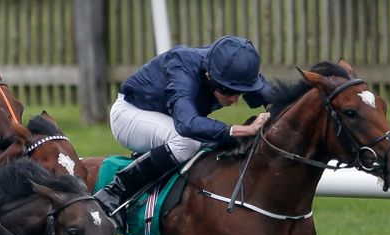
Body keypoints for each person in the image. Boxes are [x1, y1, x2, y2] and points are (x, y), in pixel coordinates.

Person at [95, 35, 273, 223]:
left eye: (241, 92)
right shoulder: (181, 65)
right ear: (209, 76)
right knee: (187, 142)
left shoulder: (230, 70)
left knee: (205, 143)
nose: (234, 100)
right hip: (129, 115)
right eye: (227, 90)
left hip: (167, 120)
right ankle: (113, 192)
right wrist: (242, 130)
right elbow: (187, 124)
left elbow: (277, 100)